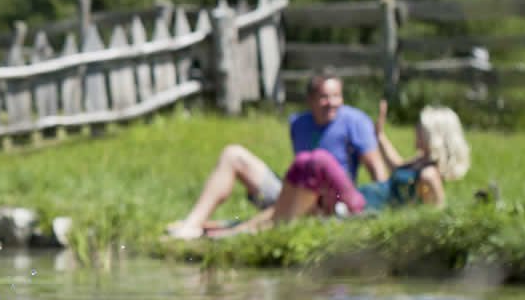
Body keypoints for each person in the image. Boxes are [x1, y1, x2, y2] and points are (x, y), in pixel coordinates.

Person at [164, 71, 385, 239]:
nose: (332, 103)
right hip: (297, 191)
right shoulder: (299, 123)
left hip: (331, 201)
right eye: (324, 97)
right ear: (310, 100)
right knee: (233, 154)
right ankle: (193, 224)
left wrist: (380, 209)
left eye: (337, 96)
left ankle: (237, 232)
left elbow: (376, 169)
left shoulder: (356, 122)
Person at [206, 103, 471, 236]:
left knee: (317, 161)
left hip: (361, 209)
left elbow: (437, 217)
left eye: (420, 129)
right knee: (300, 199)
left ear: (435, 135)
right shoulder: (418, 164)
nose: (416, 131)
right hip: (358, 198)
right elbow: (395, 166)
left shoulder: (428, 176)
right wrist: (379, 135)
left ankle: (232, 233)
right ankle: (221, 229)